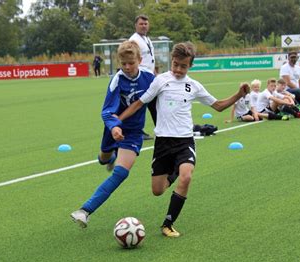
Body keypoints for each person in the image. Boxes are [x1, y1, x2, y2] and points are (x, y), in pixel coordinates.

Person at [117, 42, 250, 237]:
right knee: (157, 190)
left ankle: (168, 224)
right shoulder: (160, 81)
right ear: (172, 61)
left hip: (185, 141)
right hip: (163, 142)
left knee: (186, 176)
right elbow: (138, 103)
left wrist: (239, 94)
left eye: (183, 66)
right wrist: (117, 122)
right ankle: (174, 173)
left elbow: (219, 106)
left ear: (190, 65)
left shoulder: (194, 86)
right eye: (176, 64)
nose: (178, 69)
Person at [70, 41, 155, 228]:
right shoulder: (117, 79)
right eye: (123, 63)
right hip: (113, 128)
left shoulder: (150, 78)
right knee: (103, 158)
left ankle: (84, 211)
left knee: (121, 172)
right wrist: (115, 126)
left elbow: (157, 104)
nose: (127, 67)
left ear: (140, 60)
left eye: (131, 63)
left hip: (133, 132)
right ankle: (109, 157)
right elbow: (107, 111)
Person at [129, 14, 157, 140]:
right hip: (141, 77)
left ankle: (160, 129)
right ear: (136, 25)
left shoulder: (146, 38)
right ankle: (138, 130)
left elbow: (149, 59)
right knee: (145, 104)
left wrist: (155, 73)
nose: (144, 26)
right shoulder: (134, 40)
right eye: (141, 24)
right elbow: (132, 59)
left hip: (149, 77)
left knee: (152, 103)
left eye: (146, 24)